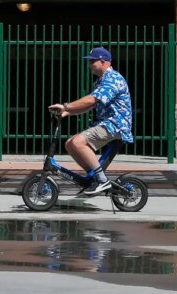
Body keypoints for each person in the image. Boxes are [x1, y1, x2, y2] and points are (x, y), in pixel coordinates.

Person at [47, 47, 133, 195]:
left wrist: (66, 106)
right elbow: (90, 106)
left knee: (77, 142)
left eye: (92, 61)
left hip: (115, 124)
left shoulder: (112, 79)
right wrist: (67, 112)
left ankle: (101, 180)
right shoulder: (100, 81)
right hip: (105, 123)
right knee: (70, 144)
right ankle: (94, 177)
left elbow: (91, 100)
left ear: (103, 61)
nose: (90, 65)